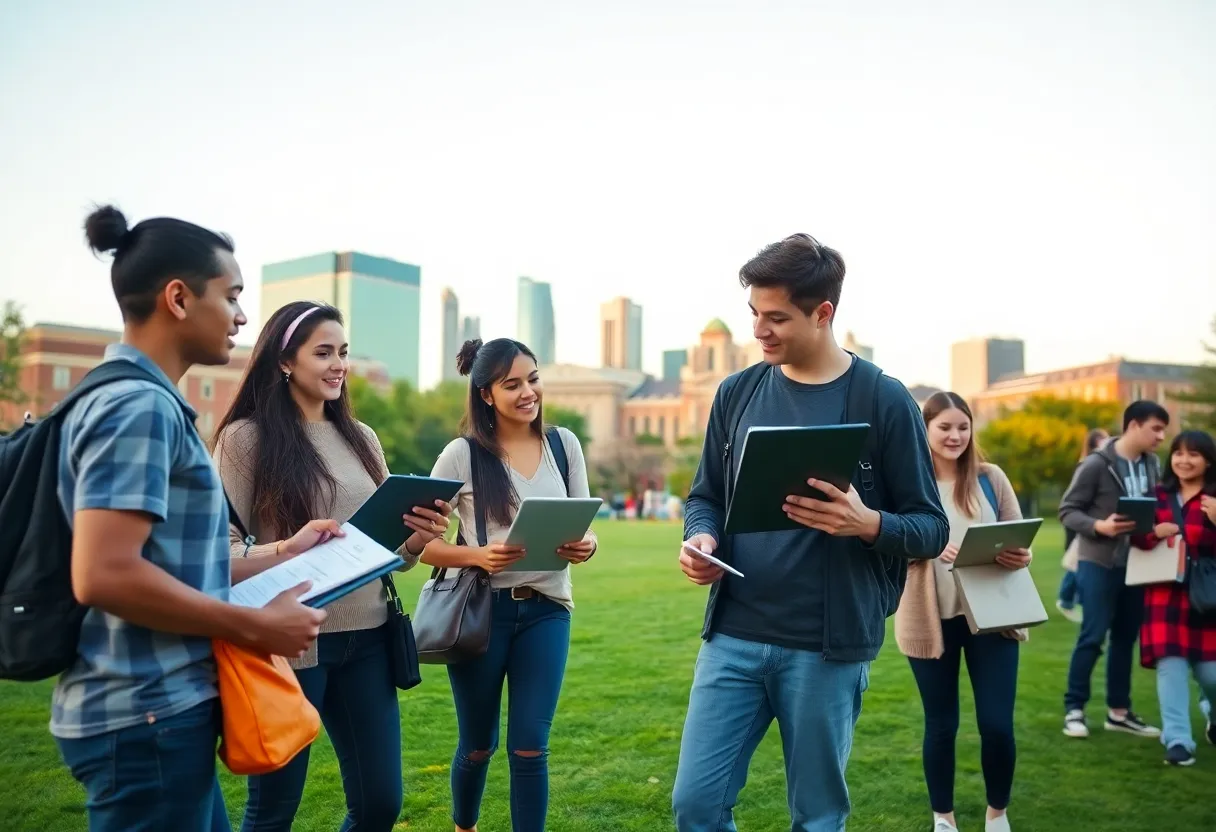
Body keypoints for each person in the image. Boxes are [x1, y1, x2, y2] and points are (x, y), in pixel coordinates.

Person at [54, 206, 335, 832]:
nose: (241, 316)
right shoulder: (137, 407)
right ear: (178, 298)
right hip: (142, 716)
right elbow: (103, 574)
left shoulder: (143, 400)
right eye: (231, 296)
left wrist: (283, 552)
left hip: (162, 714)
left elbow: (171, 562)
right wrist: (252, 628)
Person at [671, 233, 950, 832]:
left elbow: (931, 527)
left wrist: (867, 523)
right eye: (754, 314)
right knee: (694, 805)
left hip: (826, 650)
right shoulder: (737, 392)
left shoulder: (884, 399)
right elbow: (705, 497)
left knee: (818, 818)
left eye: (776, 318)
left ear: (823, 313)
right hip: (733, 638)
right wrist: (702, 539)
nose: (759, 331)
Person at [212, 301, 452, 831]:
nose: (338, 364)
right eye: (323, 352)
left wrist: (414, 538)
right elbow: (218, 555)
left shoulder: (361, 437)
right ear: (284, 362)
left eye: (342, 352)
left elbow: (387, 554)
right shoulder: (244, 439)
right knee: (273, 811)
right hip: (290, 644)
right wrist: (286, 549)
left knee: (379, 806)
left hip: (369, 641)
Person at [422, 338, 597, 832]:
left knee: (528, 746)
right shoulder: (462, 456)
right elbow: (421, 547)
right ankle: (465, 825)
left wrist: (588, 546)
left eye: (533, 379)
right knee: (477, 746)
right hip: (482, 614)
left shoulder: (564, 445)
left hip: (547, 611)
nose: (528, 392)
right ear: (485, 394)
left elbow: (582, 522)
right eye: (512, 384)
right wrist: (476, 555)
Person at [896, 392, 1032, 832]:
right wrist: (930, 548)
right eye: (945, 427)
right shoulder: (906, 483)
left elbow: (1019, 539)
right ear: (926, 430)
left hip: (991, 619)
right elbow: (886, 547)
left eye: (963, 427)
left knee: (996, 725)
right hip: (931, 620)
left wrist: (1020, 556)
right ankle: (944, 818)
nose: (955, 435)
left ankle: (997, 814)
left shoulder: (991, 478)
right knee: (941, 726)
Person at [1058, 400, 1169, 739]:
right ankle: (1074, 709)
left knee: (1125, 638)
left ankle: (1118, 713)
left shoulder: (1153, 464)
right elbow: (1068, 510)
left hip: (1138, 564)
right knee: (1092, 636)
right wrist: (1098, 527)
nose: (1161, 437)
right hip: (1097, 561)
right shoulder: (1096, 464)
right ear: (1134, 425)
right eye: (1156, 429)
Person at [1130, 430, 1216, 766]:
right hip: (1165, 597)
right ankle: (1179, 741)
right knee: (1171, 668)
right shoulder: (1157, 496)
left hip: (1208, 597)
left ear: (1208, 460)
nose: (1184, 460)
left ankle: (1210, 711)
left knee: (1211, 676)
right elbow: (1133, 537)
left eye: (1193, 454)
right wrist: (1152, 533)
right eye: (1178, 453)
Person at [1057, 428, 1110, 623]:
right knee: (1075, 561)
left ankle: (1070, 599)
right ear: (1094, 444)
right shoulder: (1089, 465)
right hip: (1083, 522)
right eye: (1103, 441)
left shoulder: (1103, 463)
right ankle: (1066, 599)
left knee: (1076, 562)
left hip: (1092, 522)